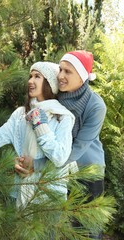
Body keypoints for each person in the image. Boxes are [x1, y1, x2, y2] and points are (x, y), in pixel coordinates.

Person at [0, 61, 75, 209]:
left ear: (50, 83)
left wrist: (41, 127)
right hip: (18, 190)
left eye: (37, 76)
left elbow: (60, 157)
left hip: (48, 197)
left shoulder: (63, 117)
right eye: (30, 76)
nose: (30, 81)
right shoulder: (21, 114)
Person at [57, 50, 106, 239]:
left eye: (68, 72)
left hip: (88, 169)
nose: (61, 75)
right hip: (60, 169)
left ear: (82, 76)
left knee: (88, 227)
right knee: (64, 228)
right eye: (60, 69)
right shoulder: (55, 96)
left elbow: (80, 147)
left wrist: (44, 164)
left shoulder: (95, 105)